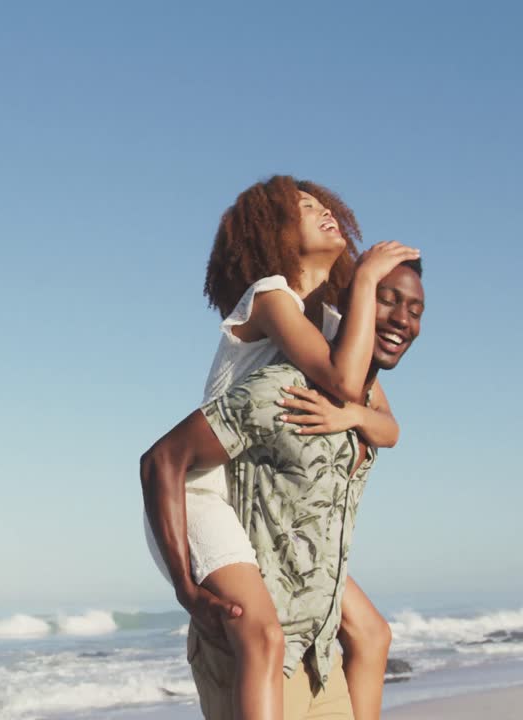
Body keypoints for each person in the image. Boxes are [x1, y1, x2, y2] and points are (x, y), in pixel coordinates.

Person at [141, 176, 421, 719]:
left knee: (372, 633)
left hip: (271, 505)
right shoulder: (272, 295)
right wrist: (187, 589)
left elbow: (388, 427)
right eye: (305, 208)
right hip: (204, 489)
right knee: (262, 634)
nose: (325, 212)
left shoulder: (338, 323)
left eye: (327, 204)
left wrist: (353, 415)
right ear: (273, 231)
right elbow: (340, 380)